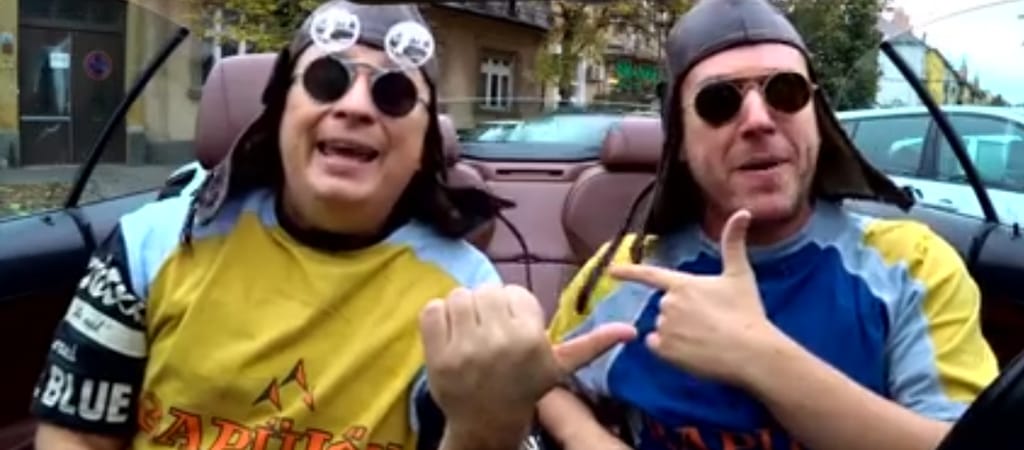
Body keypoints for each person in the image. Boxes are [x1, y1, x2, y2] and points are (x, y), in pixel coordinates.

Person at [27, 2, 546, 449]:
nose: (355, 106)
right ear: (278, 115)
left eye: (393, 94)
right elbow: (75, 436)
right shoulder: (152, 244)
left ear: (423, 148)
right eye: (326, 81)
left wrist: (484, 429)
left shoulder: (465, 295)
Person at [534, 0, 1001, 449]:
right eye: (719, 101)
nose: (758, 120)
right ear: (679, 139)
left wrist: (758, 357)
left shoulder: (912, 267)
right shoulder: (626, 274)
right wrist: (587, 438)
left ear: (816, 118)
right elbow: (544, 382)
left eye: (786, 92)